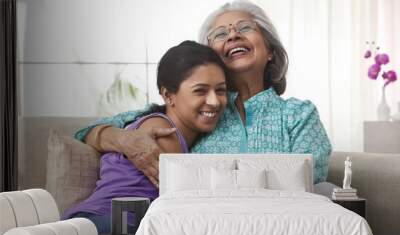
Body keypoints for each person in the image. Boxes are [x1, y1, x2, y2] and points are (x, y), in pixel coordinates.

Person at [74, 0, 332, 188]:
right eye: (220, 34)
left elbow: (310, 181)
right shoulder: (198, 112)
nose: (232, 34)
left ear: (270, 51)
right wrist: (125, 140)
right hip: (204, 234)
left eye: (245, 27)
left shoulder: (299, 114)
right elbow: (88, 132)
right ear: (212, 58)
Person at [62, 41, 229, 233]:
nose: (214, 101)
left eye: (221, 90)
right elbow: (180, 207)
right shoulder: (162, 130)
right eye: (200, 90)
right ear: (168, 95)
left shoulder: (152, 124)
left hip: (100, 224)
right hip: (108, 226)